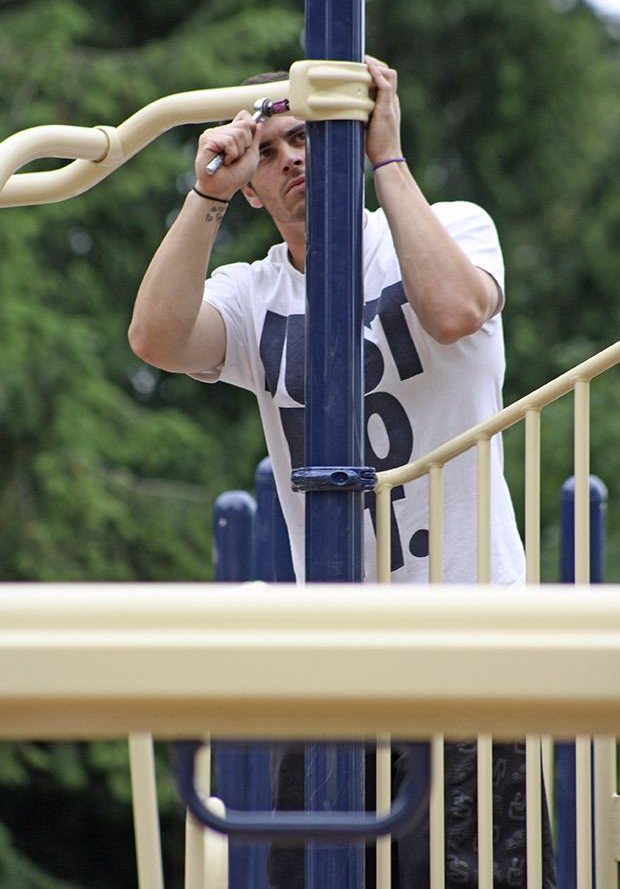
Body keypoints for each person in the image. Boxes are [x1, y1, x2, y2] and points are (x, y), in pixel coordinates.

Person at [129, 57, 556, 888]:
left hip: (466, 632)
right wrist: (207, 192)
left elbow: (453, 310)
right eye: (273, 149)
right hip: (336, 641)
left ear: (348, 146)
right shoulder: (253, 295)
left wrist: (387, 158)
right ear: (254, 183)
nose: (293, 159)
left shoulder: (449, 227)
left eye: (312, 138)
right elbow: (156, 339)